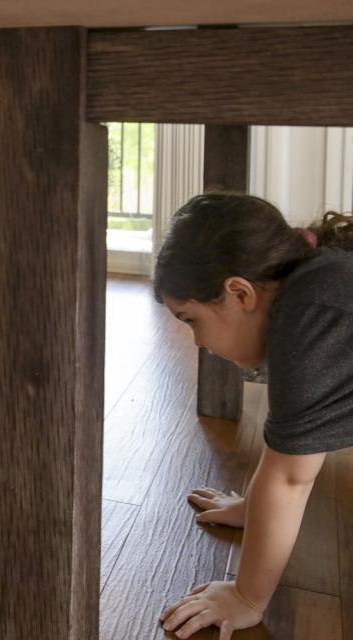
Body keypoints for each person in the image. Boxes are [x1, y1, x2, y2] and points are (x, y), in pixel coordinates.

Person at [153, 192, 353, 639]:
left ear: (239, 292)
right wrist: (256, 508)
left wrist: (246, 596)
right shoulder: (314, 286)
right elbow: (290, 447)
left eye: (192, 320)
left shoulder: (312, 313)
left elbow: (290, 478)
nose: (199, 343)